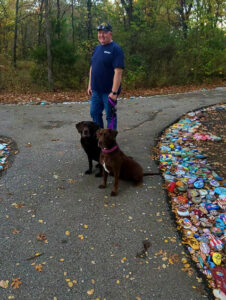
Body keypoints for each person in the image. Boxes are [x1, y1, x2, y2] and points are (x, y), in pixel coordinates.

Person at [87, 23, 124, 130]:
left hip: (109, 92)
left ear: (110, 34)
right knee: (94, 113)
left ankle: (110, 142)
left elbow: (118, 72)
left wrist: (114, 92)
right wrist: (90, 85)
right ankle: (100, 137)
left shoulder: (116, 49)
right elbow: (92, 67)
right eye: (99, 33)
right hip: (96, 91)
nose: (101, 35)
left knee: (110, 116)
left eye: (104, 33)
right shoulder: (97, 48)